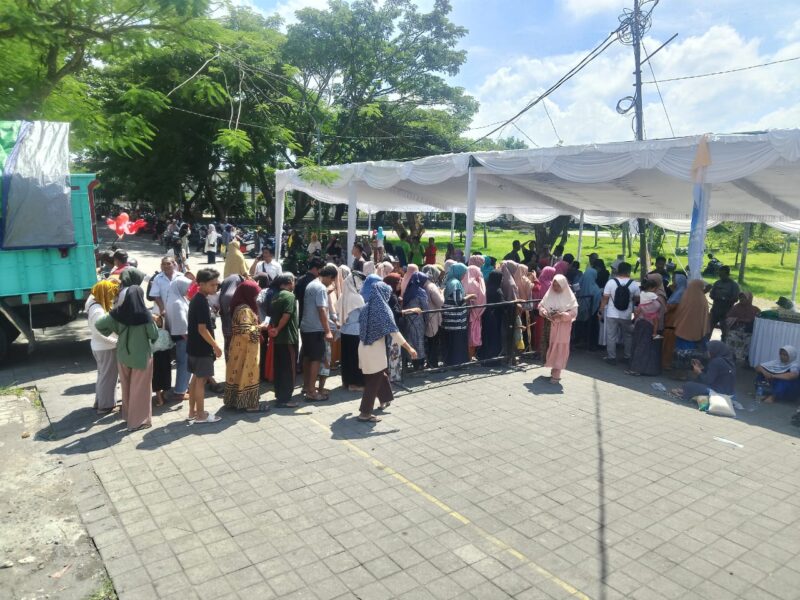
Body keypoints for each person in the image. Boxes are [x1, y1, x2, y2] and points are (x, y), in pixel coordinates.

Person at [95, 285, 159, 431]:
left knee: (127, 387)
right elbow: (154, 335)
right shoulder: (145, 316)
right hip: (141, 357)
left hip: (123, 355)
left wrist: (115, 333)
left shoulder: (118, 313)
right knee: (141, 390)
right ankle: (139, 421)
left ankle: (128, 416)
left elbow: (99, 324)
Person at [357, 282, 418, 422]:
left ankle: (385, 399)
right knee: (373, 381)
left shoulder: (366, 307)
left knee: (379, 374)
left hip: (363, 347)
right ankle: (365, 413)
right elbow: (394, 332)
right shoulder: (383, 309)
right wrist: (409, 348)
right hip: (374, 350)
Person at [187, 268, 223, 424]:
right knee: (201, 382)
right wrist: (216, 346)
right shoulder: (201, 301)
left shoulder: (197, 298)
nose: (215, 288)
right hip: (202, 349)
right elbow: (202, 329)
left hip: (194, 347)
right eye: (212, 285)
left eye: (216, 284)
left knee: (195, 380)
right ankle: (201, 415)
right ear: (201, 284)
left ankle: (192, 412)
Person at [224, 280, 266, 412]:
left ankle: (235, 401)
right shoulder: (245, 310)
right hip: (246, 349)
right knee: (248, 374)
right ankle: (250, 404)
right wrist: (261, 327)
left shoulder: (239, 306)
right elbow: (246, 332)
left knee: (237, 373)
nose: (256, 298)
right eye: (254, 295)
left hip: (238, 348)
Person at [300, 264, 338, 400]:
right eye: (332, 280)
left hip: (305, 327)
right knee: (316, 359)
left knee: (307, 357)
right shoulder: (321, 288)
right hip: (315, 329)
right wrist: (328, 331)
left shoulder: (311, 284)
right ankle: (312, 391)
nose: (331, 283)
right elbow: (322, 309)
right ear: (329, 277)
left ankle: (306, 386)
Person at [86, 280, 121, 415]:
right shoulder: (98, 311)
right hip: (105, 347)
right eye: (110, 293)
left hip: (99, 346)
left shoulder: (93, 301)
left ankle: (100, 402)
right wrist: (116, 341)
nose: (113, 297)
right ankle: (106, 406)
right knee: (108, 377)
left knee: (103, 375)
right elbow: (100, 332)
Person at [539, 274, 578, 384]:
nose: (555, 288)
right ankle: (553, 369)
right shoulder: (550, 294)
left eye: (558, 286)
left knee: (560, 347)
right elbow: (541, 306)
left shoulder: (570, 297)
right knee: (549, 346)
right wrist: (544, 312)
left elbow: (574, 312)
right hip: (549, 326)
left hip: (562, 328)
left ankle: (557, 373)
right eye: (554, 285)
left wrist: (562, 314)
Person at [268, 274, 300, 407]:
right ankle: (285, 399)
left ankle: (280, 395)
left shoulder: (275, 296)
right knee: (289, 369)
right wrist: (278, 329)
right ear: (289, 282)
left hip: (278, 339)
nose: (294, 284)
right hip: (287, 338)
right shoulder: (290, 296)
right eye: (293, 281)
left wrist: (275, 330)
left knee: (280, 368)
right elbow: (286, 315)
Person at [599, 262, 640, 365]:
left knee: (611, 335)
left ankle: (611, 357)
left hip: (611, 314)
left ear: (618, 270)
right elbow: (637, 300)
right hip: (626, 314)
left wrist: (601, 310)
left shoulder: (611, 282)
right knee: (628, 336)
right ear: (629, 271)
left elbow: (605, 298)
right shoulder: (634, 284)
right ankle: (627, 356)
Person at [671, 341, 736, 401]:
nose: (708, 353)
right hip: (729, 393)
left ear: (715, 350)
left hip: (720, 394)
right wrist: (701, 368)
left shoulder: (717, 361)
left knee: (689, 385)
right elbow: (714, 375)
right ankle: (684, 391)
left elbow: (707, 381)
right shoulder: (727, 361)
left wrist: (699, 372)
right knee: (695, 382)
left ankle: (683, 392)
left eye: (710, 351)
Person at [671, 279, 710, 375]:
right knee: (690, 353)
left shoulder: (686, 296)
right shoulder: (703, 299)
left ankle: (680, 373)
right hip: (696, 331)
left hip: (683, 329)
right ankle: (687, 372)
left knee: (681, 352)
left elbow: (679, 311)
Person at [337, 271, 366, 391]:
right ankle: (355, 384)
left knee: (346, 358)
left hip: (345, 331)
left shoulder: (342, 296)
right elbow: (363, 315)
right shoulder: (356, 298)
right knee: (356, 359)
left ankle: (347, 382)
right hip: (356, 333)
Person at [166, 276, 192, 402]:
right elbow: (181, 324)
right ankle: (180, 391)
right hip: (183, 338)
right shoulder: (177, 302)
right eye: (187, 287)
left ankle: (182, 388)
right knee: (184, 363)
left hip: (178, 336)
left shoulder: (173, 298)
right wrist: (188, 338)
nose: (188, 290)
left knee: (183, 363)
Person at [442, 263, 471, 366]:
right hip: (455, 319)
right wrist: (470, 297)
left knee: (452, 342)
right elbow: (458, 301)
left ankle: (451, 362)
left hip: (450, 318)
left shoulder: (450, 281)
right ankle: (457, 364)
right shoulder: (455, 284)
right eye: (463, 273)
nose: (464, 276)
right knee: (457, 342)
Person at [477, 271, 507, 361]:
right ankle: (492, 359)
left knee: (486, 337)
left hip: (486, 316)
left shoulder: (487, 288)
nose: (502, 280)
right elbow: (502, 305)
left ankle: (484, 357)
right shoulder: (498, 291)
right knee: (494, 338)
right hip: (494, 317)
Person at [402, 272, 429, 369]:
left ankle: (412, 364)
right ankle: (419, 366)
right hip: (418, 320)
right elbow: (425, 308)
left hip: (408, 320)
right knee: (419, 342)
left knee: (411, 341)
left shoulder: (407, 290)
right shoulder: (421, 291)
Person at [725, 292, 761, 363]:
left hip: (749, 331)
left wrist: (748, 321)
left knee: (750, 340)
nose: (741, 299)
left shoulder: (755, 309)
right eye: (740, 297)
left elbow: (757, 321)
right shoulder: (736, 307)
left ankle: (747, 359)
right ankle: (731, 357)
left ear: (749, 299)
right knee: (731, 336)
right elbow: (728, 318)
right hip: (736, 329)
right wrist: (740, 320)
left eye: (744, 298)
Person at [661, 273, 687, 370]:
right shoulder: (680, 292)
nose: (673, 282)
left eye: (674, 280)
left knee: (669, 346)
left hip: (672, 324)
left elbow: (669, 308)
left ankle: (666, 365)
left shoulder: (679, 294)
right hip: (674, 324)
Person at [421, 265, 445, 368]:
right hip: (433, 317)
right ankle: (433, 364)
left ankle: (430, 362)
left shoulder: (423, 284)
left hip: (426, 316)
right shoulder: (432, 286)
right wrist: (442, 292)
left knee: (429, 342)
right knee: (434, 341)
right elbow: (440, 303)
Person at [575, 267, 602, 350]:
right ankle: (590, 344)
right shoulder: (596, 289)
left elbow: (574, 289)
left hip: (579, 310)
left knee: (579, 324)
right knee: (592, 326)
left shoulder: (579, 284)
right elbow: (597, 302)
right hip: (591, 313)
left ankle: (579, 340)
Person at [462, 264, 486, 358]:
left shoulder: (464, 281)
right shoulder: (477, 283)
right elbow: (481, 298)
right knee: (472, 337)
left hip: (465, 313)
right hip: (475, 313)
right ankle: (469, 358)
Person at [709, 266, 740, 336]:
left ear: (727, 274)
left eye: (722, 275)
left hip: (727, 312)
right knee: (708, 330)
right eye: (719, 275)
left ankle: (723, 345)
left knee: (725, 332)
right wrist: (717, 297)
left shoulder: (734, 285)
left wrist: (724, 299)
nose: (721, 276)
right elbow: (711, 295)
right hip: (715, 310)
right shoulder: (717, 283)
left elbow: (735, 299)